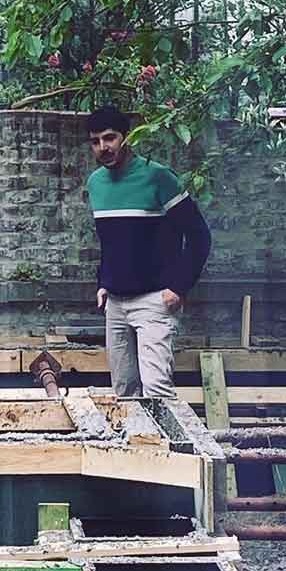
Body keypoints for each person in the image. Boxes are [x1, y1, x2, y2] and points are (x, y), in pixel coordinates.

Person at [86, 105, 211, 399]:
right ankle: (136, 446)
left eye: (110, 138)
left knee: (156, 389)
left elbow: (199, 236)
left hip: (155, 301)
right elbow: (111, 241)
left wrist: (178, 287)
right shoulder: (95, 184)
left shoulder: (157, 177)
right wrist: (103, 282)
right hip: (115, 304)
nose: (103, 147)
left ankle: (172, 447)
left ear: (127, 138)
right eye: (95, 141)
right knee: (124, 391)